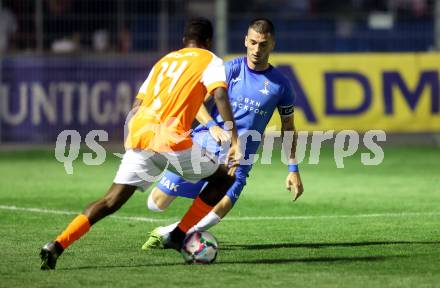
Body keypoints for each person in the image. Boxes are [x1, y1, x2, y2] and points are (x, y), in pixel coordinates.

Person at [40, 17, 240, 270]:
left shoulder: (163, 62)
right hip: (171, 139)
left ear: (183, 41)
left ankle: (57, 245)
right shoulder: (210, 60)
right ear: (209, 41)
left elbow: (137, 105)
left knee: (110, 201)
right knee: (224, 179)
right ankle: (178, 236)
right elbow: (220, 93)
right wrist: (234, 139)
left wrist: (132, 135)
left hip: (141, 134)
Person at [142, 18, 304, 250]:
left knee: (218, 210)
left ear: (273, 44)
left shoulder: (281, 85)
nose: (257, 49)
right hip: (202, 147)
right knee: (155, 204)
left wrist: (293, 168)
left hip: (238, 158)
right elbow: (195, 104)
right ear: (245, 41)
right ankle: (176, 229)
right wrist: (211, 126)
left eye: (263, 44)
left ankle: (170, 234)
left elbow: (288, 128)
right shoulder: (229, 69)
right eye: (253, 42)